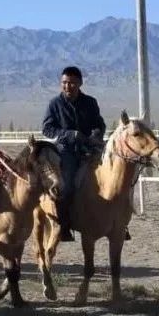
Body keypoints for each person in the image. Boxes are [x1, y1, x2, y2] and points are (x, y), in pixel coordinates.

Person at [42, 66, 107, 242]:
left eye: (71, 83)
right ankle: (64, 225)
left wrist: (96, 133)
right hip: (66, 150)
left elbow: (99, 124)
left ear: (80, 83)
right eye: (64, 83)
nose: (67, 86)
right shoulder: (55, 104)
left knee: (112, 176)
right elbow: (47, 129)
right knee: (67, 183)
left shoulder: (90, 102)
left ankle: (118, 223)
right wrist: (69, 134)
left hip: (90, 147)